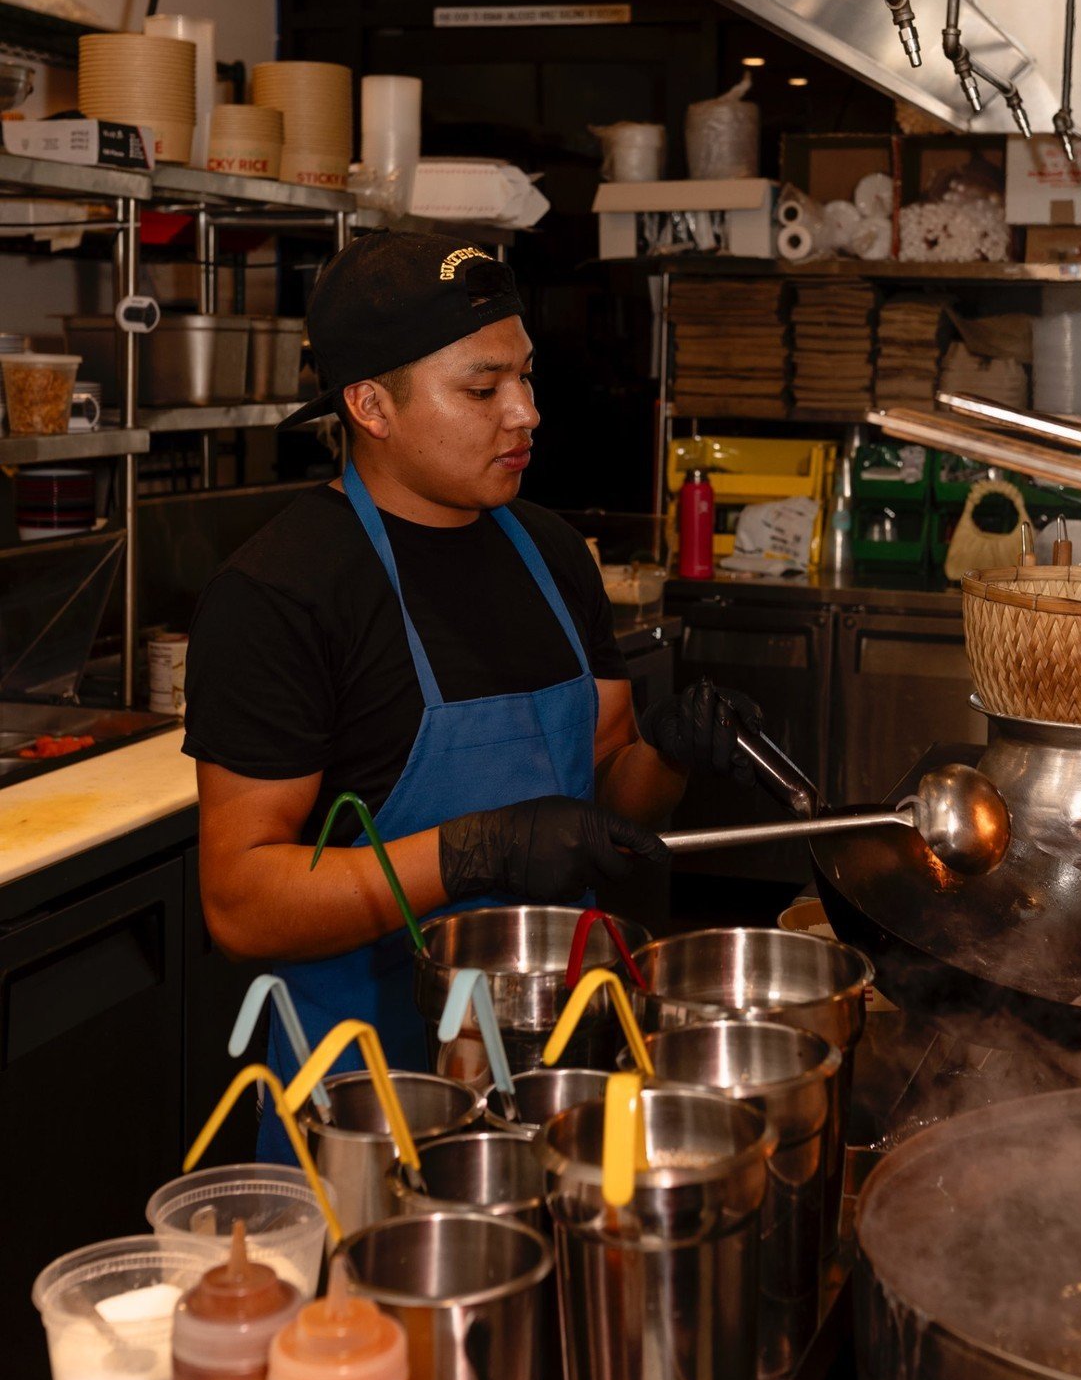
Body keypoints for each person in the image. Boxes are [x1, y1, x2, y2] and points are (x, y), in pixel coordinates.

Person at [183, 230, 762, 1148]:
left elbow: (611, 784)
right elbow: (242, 900)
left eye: (527, 378)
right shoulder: (281, 593)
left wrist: (668, 755)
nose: (526, 413)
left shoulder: (552, 554)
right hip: (368, 1107)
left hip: (555, 1067)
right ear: (371, 404)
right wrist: (472, 852)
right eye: (483, 389)